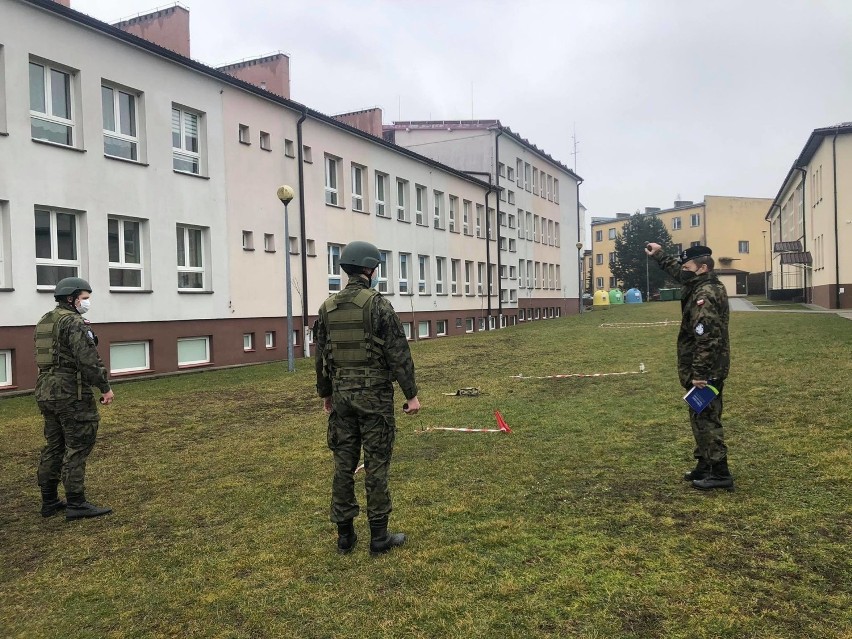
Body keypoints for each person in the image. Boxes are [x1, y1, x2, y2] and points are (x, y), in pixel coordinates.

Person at [314, 241, 421, 555]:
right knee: (376, 466)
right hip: (374, 400)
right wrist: (411, 395)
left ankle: (345, 538)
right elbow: (398, 353)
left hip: (343, 399)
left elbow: (320, 356)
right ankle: (378, 537)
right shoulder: (378, 305)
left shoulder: (327, 307)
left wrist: (326, 394)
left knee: (343, 466)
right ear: (370, 269)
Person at [645, 243, 734, 491]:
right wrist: (660, 255)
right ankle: (705, 464)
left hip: (707, 371)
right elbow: (678, 271)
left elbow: (707, 338)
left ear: (702, 268)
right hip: (702, 369)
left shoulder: (704, 295)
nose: (683, 270)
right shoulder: (698, 283)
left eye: (688, 267)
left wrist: (700, 374)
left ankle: (720, 473)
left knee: (707, 420)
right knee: (698, 415)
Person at [34, 277, 114, 520]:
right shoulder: (74, 323)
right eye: (84, 298)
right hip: (70, 392)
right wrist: (104, 387)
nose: (87, 302)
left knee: (54, 446)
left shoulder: (45, 321)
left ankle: (49, 501)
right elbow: (88, 359)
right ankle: (76, 503)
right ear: (71, 299)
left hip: (46, 390)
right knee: (78, 445)